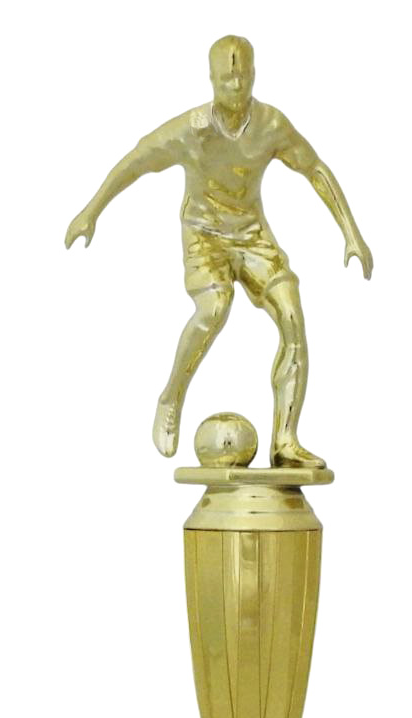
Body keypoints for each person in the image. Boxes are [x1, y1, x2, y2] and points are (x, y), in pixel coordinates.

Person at [65, 35, 373, 468]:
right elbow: (137, 160)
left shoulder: (271, 124)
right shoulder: (191, 131)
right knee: (215, 308)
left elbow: (314, 168)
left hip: (253, 236)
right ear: (210, 79)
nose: (236, 84)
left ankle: (285, 441)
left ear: (255, 75)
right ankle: (172, 396)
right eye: (227, 77)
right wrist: (91, 211)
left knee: (293, 316)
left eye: (243, 75)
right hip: (204, 235)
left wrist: (351, 233)